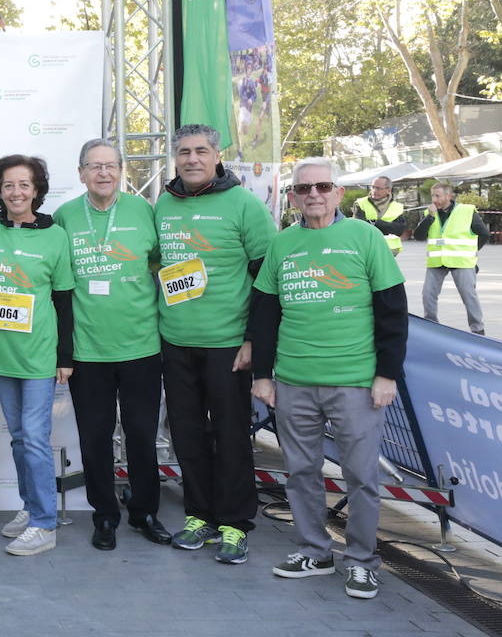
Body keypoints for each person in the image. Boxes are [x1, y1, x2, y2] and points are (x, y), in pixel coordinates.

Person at [252, 158, 408, 599]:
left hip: (355, 382)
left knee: (361, 476)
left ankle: (361, 561)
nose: (313, 194)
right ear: (293, 197)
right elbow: (264, 314)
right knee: (301, 472)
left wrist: (386, 375)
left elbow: (393, 313)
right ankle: (315, 551)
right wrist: (263, 376)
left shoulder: (364, 237)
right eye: (304, 189)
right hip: (294, 382)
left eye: (322, 186)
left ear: (339, 193)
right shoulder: (282, 245)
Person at [155, 124, 275, 565]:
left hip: (228, 346)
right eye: (184, 151)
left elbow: (267, 282)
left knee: (230, 436)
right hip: (175, 341)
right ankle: (199, 515)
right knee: (186, 435)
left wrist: (253, 341)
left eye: (200, 151)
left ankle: (235, 523)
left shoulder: (244, 204)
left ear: (217, 155)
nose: (191, 159)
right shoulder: (163, 204)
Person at [53, 139, 170, 551]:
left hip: (141, 346)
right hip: (88, 351)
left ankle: (145, 512)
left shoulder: (144, 212)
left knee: (141, 435)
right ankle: (105, 515)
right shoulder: (64, 217)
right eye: (94, 166)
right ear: (81, 172)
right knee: (95, 436)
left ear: (122, 171)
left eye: (110, 166)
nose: (103, 173)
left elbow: (158, 262)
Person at [0, 155, 74, 556]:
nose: (16, 192)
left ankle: (44, 525)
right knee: (19, 438)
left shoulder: (55, 236)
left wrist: (64, 356)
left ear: (37, 190)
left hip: (37, 355)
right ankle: (31, 506)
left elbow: (64, 299)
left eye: (24, 185)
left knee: (34, 437)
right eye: (8, 185)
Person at [414, 181, 488, 335]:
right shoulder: (430, 213)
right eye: (432, 195)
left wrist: (471, 252)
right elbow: (419, 236)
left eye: (437, 196)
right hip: (437, 261)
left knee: (469, 296)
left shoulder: (466, 211)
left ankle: (478, 330)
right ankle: (431, 325)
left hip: (461, 261)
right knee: (428, 294)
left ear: (448, 196)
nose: (434, 199)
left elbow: (484, 234)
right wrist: (430, 218)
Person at [351, 176, 406, 256]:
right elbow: (360, 227)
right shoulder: (361, 203)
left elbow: (399, 230)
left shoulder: (397, 207)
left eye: (378, 188)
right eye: (373, 187)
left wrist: (374, 222)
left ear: (388, 190)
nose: (374, 190)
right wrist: (387, 226)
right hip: (367, 250)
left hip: (389, 251)